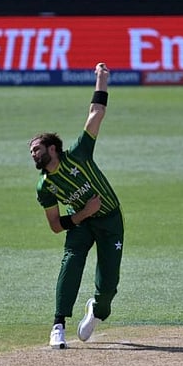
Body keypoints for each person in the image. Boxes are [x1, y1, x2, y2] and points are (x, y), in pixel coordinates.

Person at [29, 62, 123, 349]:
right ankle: (58, 324)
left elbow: (96, 113)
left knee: (108, 286)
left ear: (53, 149)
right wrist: (83, 214)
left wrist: (101, 80)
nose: (33, 154)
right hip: (82, 222)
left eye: (37, 149)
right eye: (31, 151)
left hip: (110, 219)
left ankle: (96, 310)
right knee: (71, 263)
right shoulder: (45, 186)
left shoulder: (79, 153)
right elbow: (56, 226)